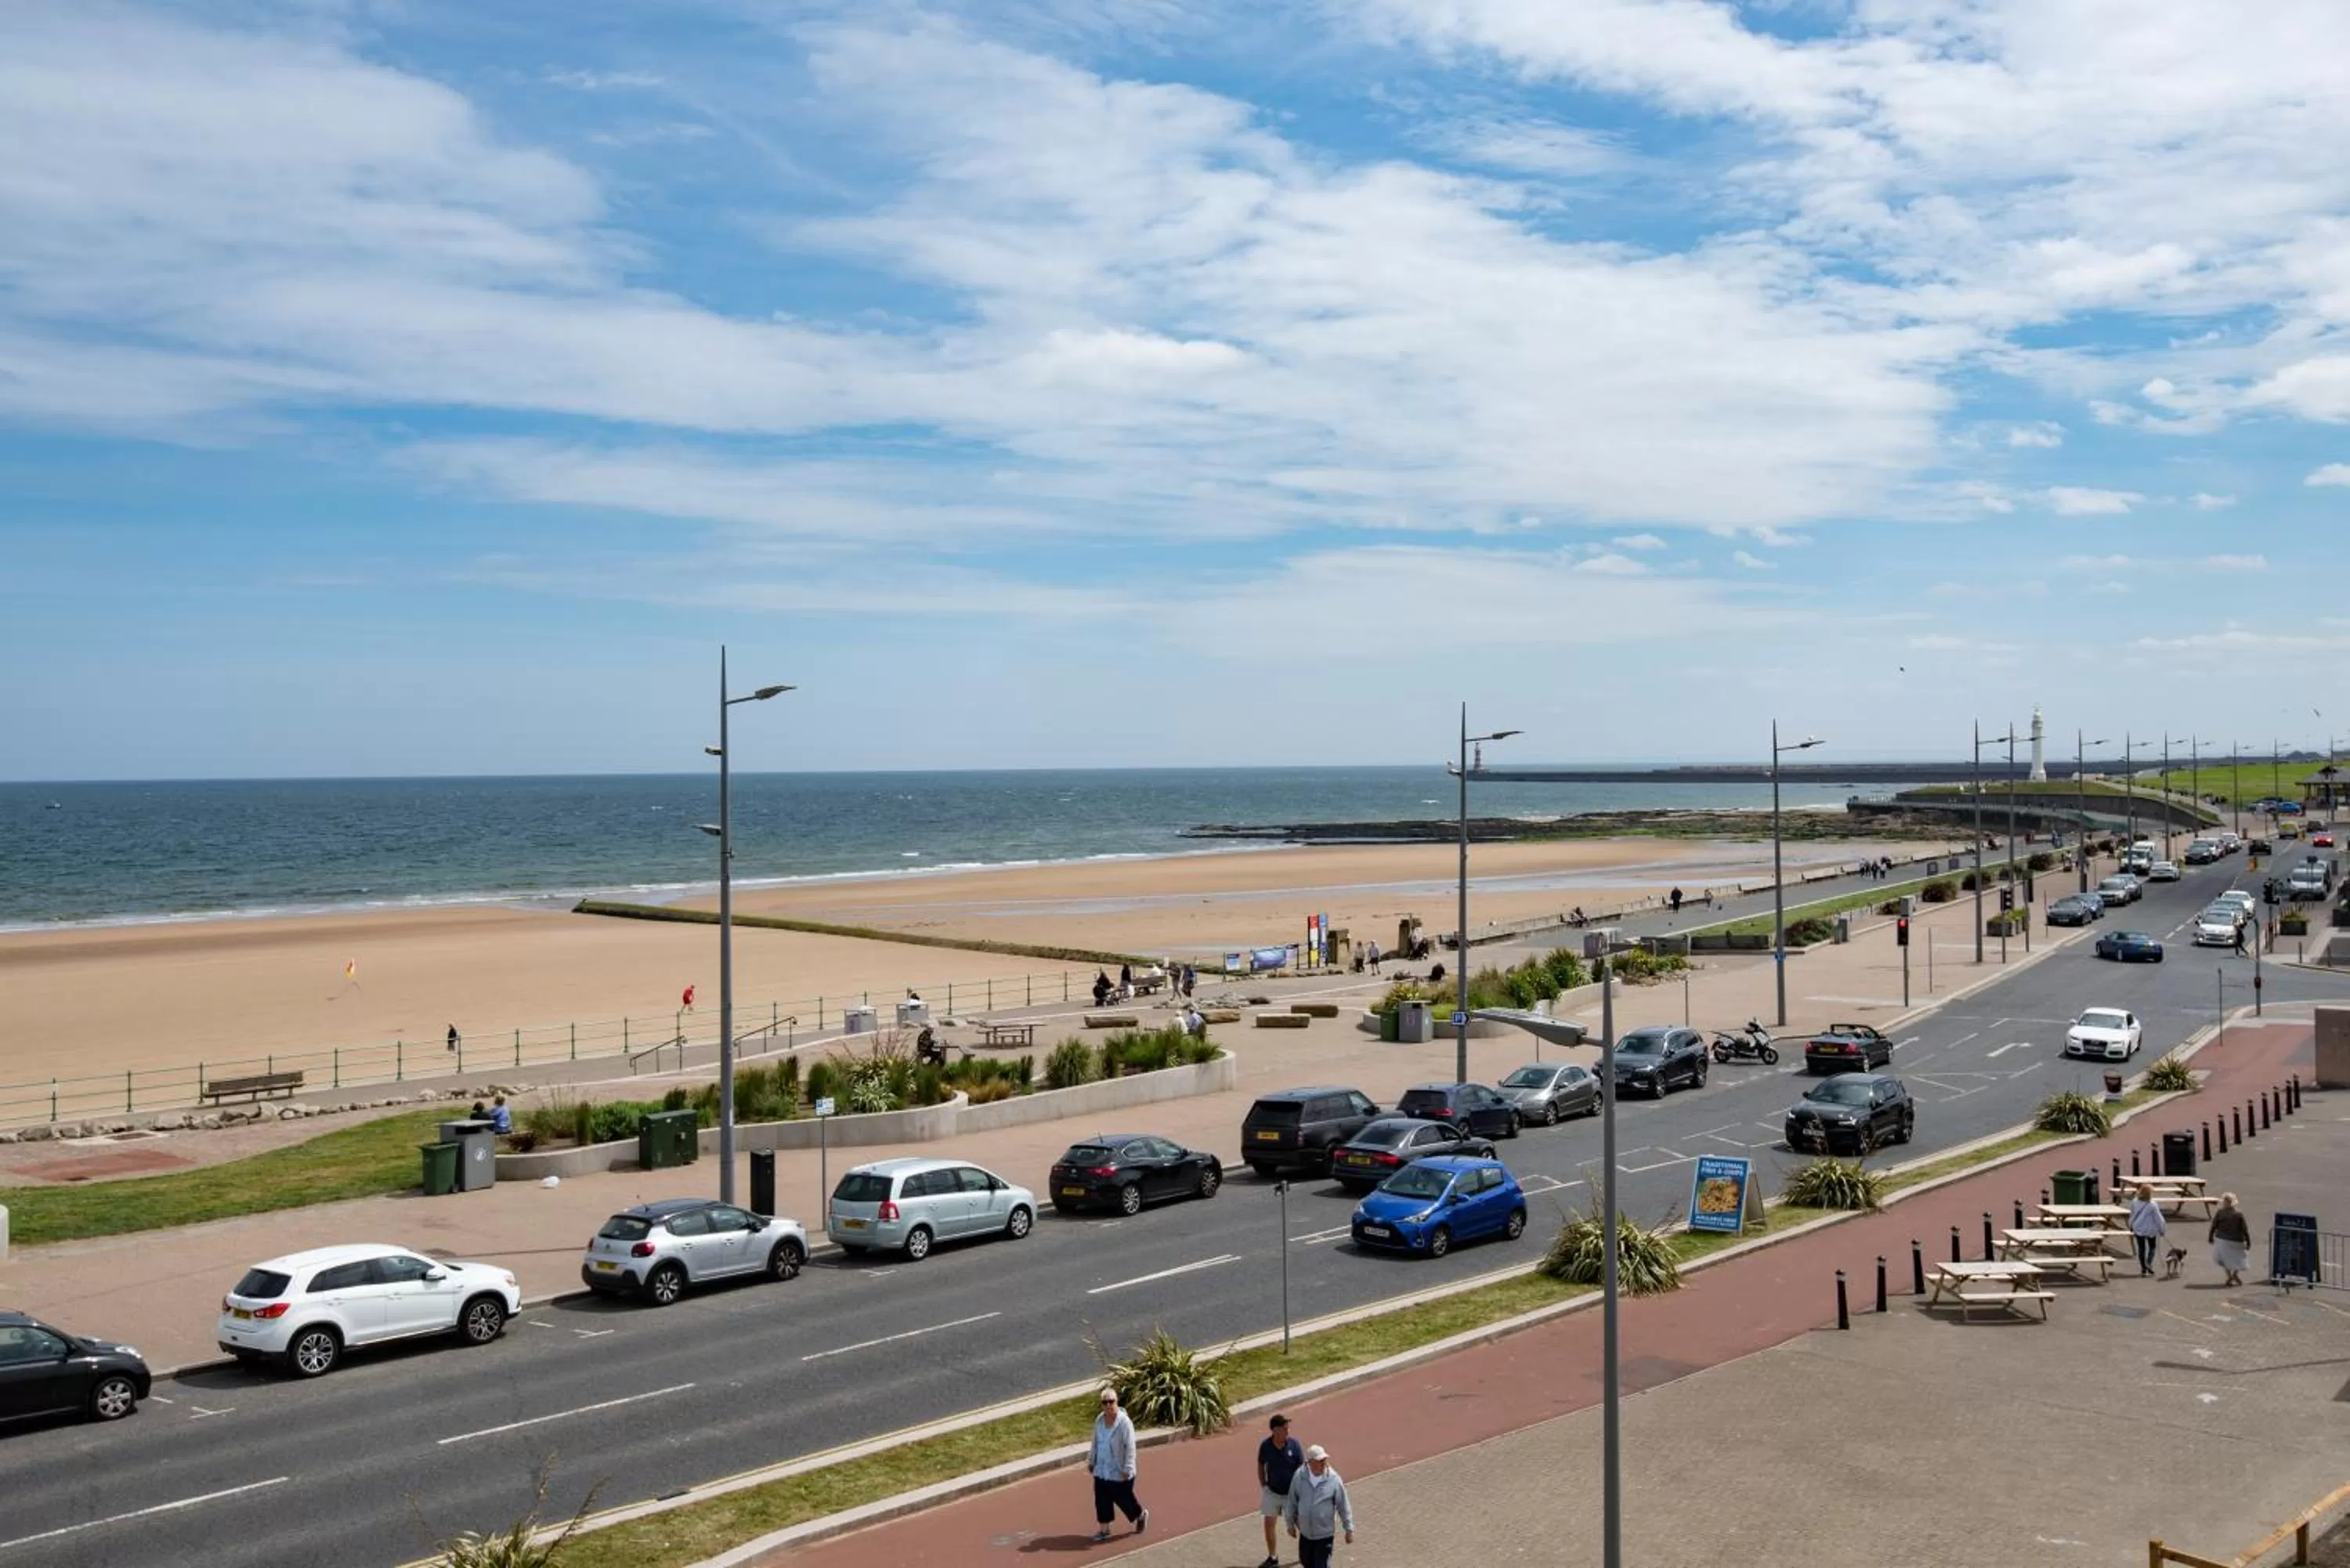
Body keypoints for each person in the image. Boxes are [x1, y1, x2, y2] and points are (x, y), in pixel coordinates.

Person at [1283, 1443, 1354, 1568]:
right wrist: (1290, 1524)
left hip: (1325, 1535)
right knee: (1307, 1563)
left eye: (1324, 1460)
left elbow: (1343, 1504)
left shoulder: (1334, 1479)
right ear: (1310, 1462)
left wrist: (1349, 1529)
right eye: (1320, 1460)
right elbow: (1292, 1501)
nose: (1324, 1463)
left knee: (1321, 1565)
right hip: (1305, 1534)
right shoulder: (1299, 1477)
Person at [1088, 1386, 1144, 1542]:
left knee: (1124, 1501)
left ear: (1117, 1402)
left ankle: (1140, 1515)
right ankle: (1104, 1530)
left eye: (1111, 1402)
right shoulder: (1099, 1420)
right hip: (1102, 1469)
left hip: (1119, 1470)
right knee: (1101, 1500)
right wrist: (1092, 1460)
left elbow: (1131, 1447)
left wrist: (1128, 1468)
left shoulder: (1125, 1423)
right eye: (1104, 1402)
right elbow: (1095, 1443)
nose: (1108, 1406)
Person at [1255, 1413, 1306, 1568]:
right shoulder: (1265, 1446)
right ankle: (1273, 1557)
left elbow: (1302, 1469)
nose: (1288, 1431)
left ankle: (1307, 1554)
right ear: (1275, 1430)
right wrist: (1264, 1484)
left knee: (1301, 1525)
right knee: (1269, 1524)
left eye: (1288, 1428)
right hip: (1273, 1493)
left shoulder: (1294, 1445)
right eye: (1284, 1429)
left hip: (1291, 1494)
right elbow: (1260, 1465)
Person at [2209, 1192, 2251, 1287]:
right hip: (2237, 1240)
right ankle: (2235, 1275)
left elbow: (2214, 1226)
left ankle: (2229, 1277)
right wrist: (2248, 1241)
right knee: (2240, 1258)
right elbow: (2245, 1229)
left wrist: (2210, 1236)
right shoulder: (2239, 1214)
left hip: (2222, 1239)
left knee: (2224, 1259)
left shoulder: (2220, 1213)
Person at [2128, 1182, 2167, 1277]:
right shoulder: (2152, 1205)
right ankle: (2149, 1263)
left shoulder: (2134, 1201)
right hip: (2150, 1229)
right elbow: (2159, 1219)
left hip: (2138, 1228)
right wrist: (2162, 1229)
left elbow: (2133, 1214)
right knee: (2152, 1247)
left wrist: (2131, 1225)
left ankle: (2143, 1269)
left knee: (2142, 1249)